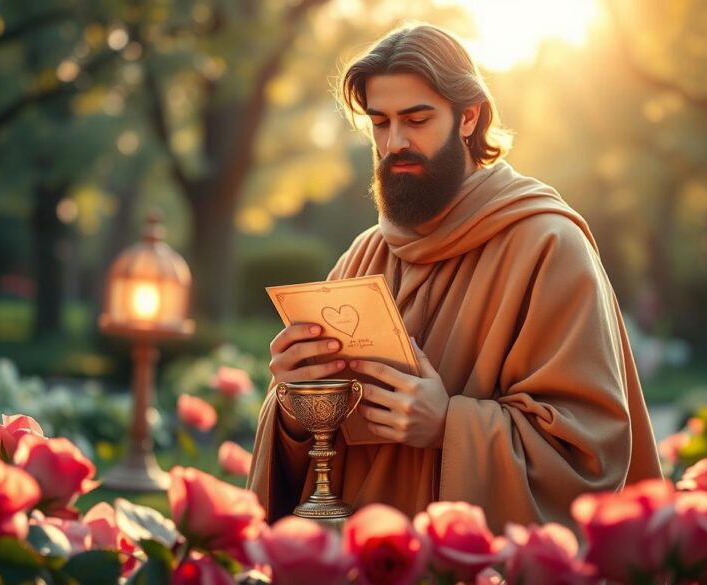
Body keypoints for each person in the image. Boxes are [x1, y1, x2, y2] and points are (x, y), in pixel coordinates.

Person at [247, 23, 662, 530]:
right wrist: (295, 402)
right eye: (379, 122)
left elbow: (589, 454)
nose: (394, 142)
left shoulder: (550, 247)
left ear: (469, 117)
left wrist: (448, 426)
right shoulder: (363, 254)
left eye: (416, 119)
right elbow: (311, 450)